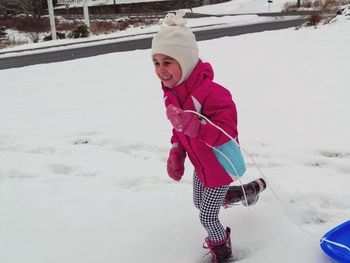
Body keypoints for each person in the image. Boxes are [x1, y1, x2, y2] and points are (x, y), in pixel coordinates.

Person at [151, 11, 266, 263]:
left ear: (186, 60)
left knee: (206, 216)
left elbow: (227, 132)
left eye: (167, 61)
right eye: (156, 62)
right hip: (200, 165)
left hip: (219, 167)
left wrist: (197, 127)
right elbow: (178, 129)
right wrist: (176, 151)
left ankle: (222, 251)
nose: (161, 70)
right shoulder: (172, 94)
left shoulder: (214, 94)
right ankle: (244, 193)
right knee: (198, 203)